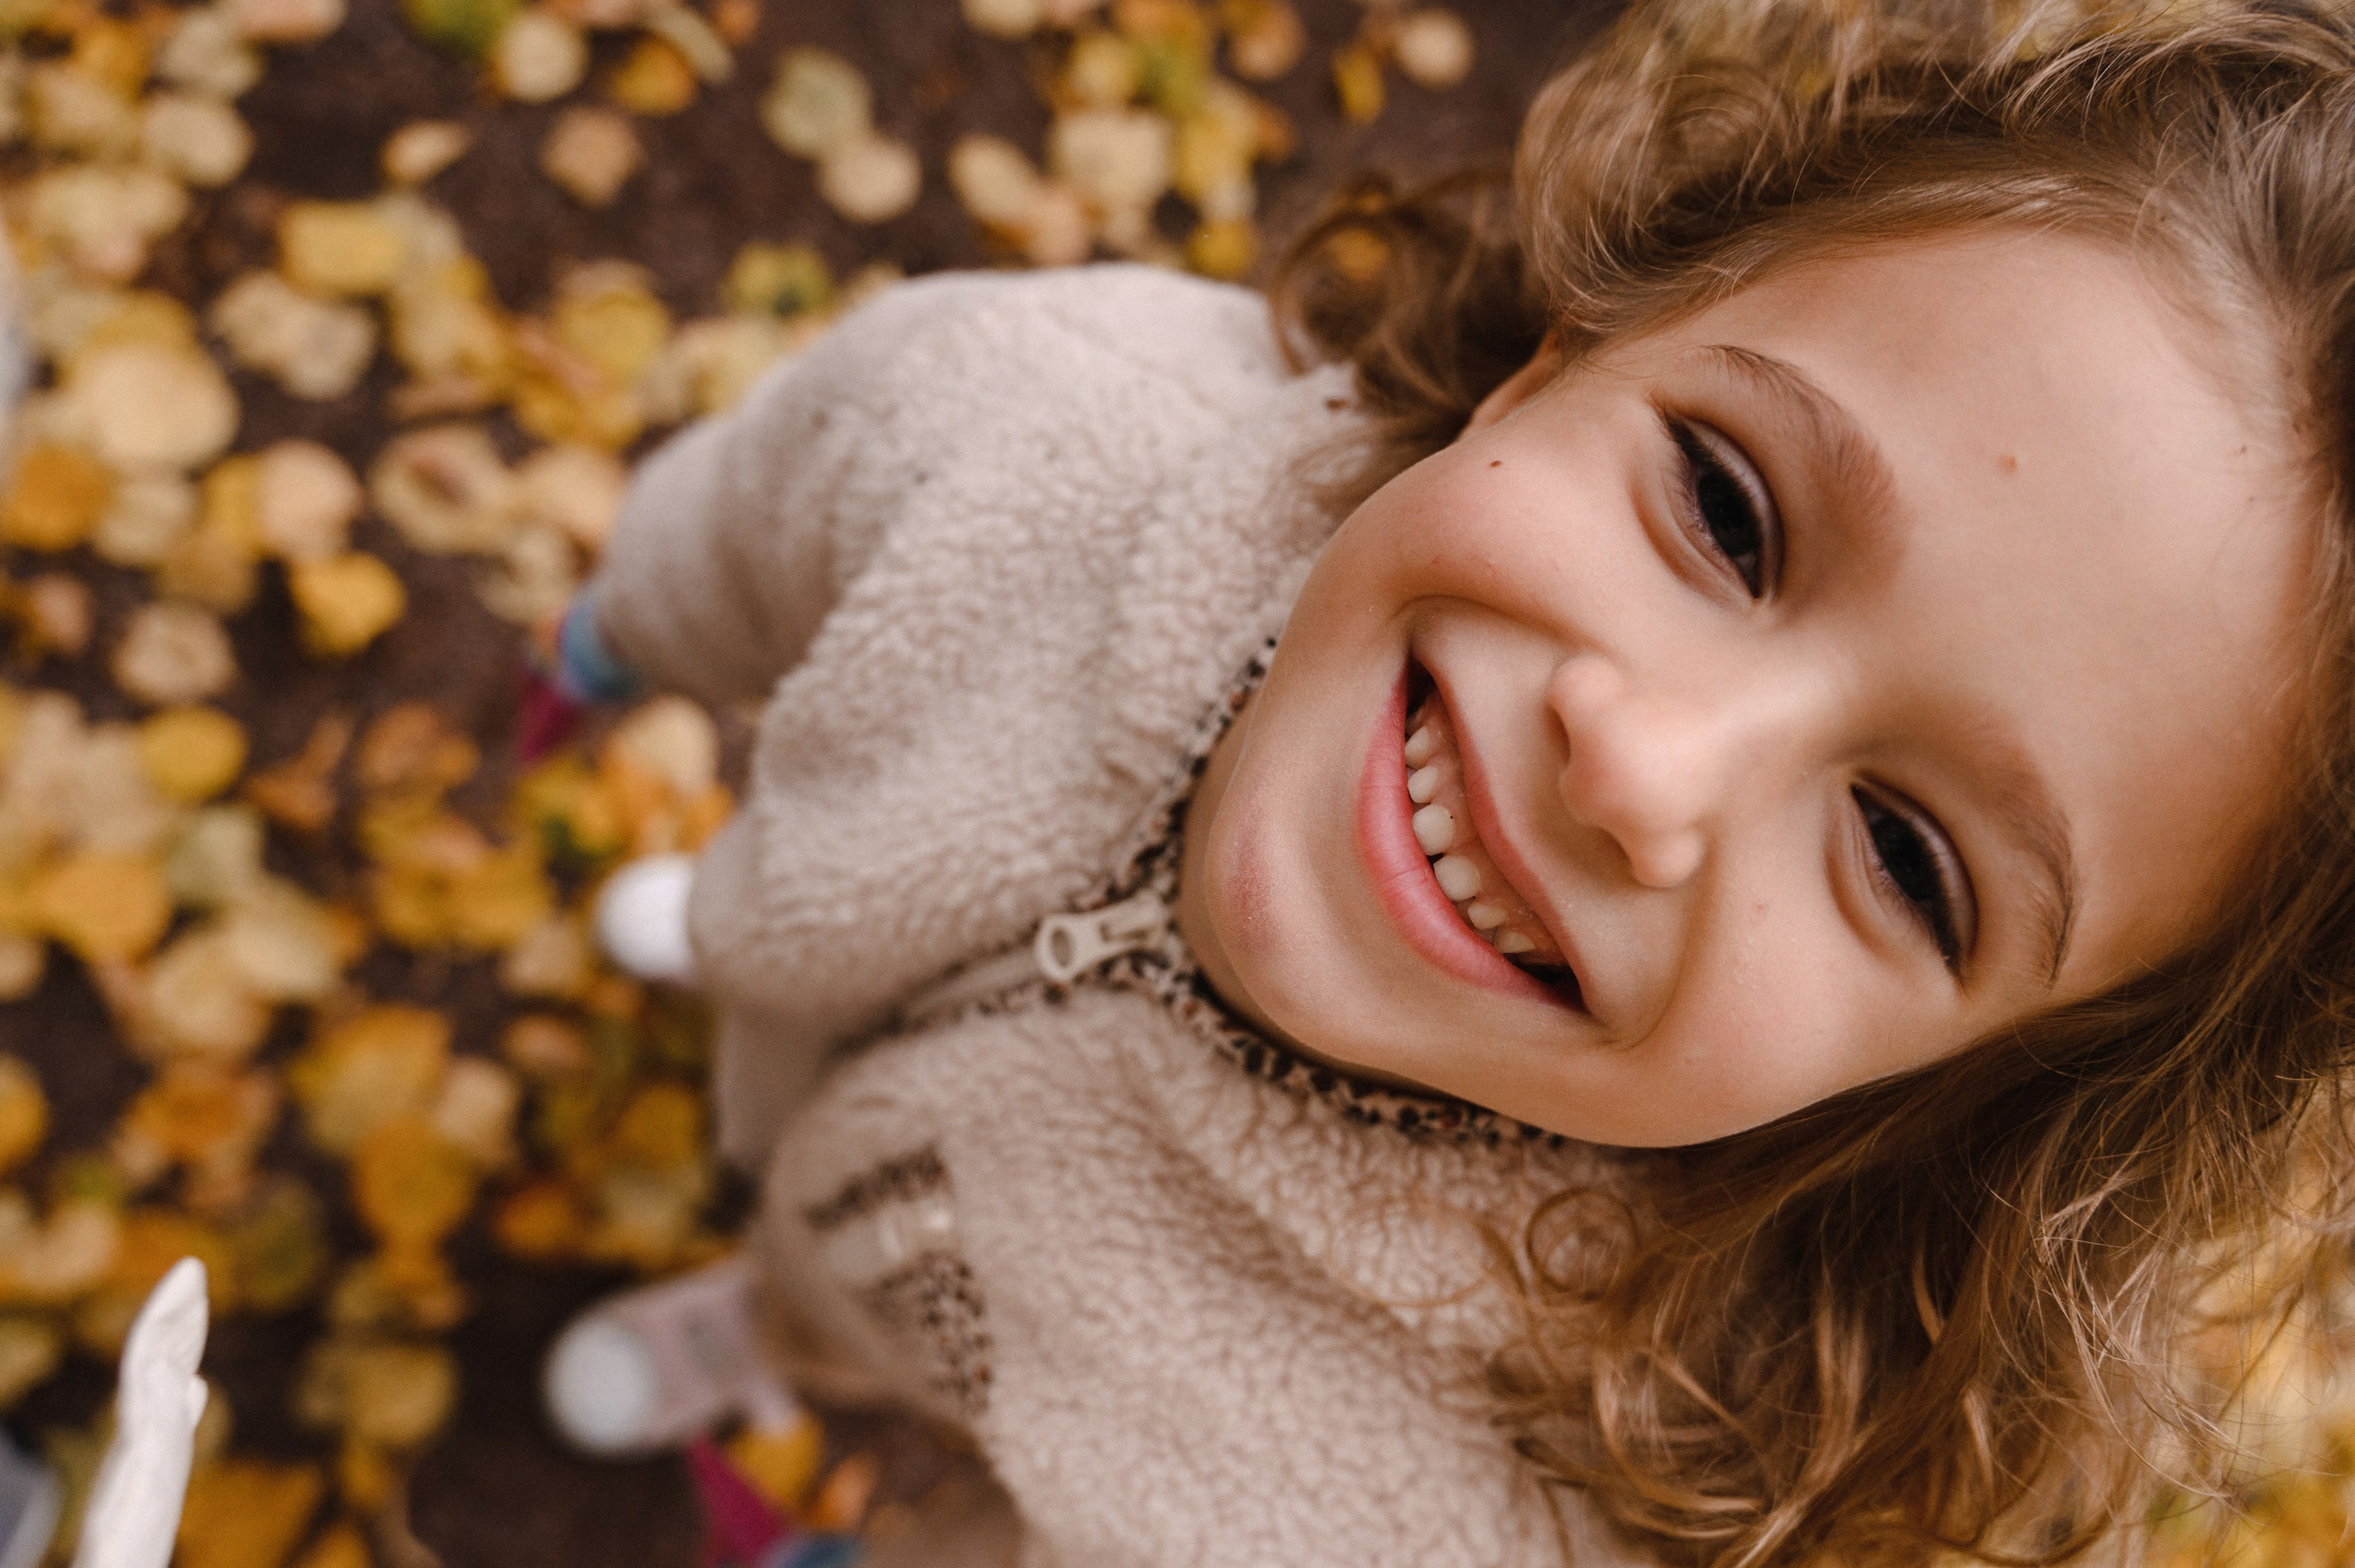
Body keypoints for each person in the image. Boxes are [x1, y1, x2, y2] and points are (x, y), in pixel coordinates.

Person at [539, 1, 2355, 1562]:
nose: (1641, 764)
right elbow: (764, 499)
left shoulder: (1431, 1512)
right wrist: (627, 634)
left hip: (946, 1316)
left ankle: (772, 1341)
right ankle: (751, 1088)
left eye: (1903, 856)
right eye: (1722, 513)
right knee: (788, 1157)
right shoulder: (1036, 425)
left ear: (1991, 1081)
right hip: (819, 1022)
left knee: (868, 1324)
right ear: (1562, 358)